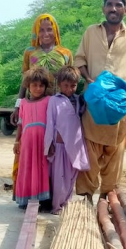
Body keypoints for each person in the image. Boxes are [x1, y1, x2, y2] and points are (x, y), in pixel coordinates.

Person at [74, 0, 126, 202]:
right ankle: (85, 196)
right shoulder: (90, 32)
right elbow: (80, 60)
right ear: (103, 8)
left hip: (121, 106)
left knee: (116, 150)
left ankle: (107, 197)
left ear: (125, 10)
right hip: (94, 103)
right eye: (109, 4)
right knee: (89, 148)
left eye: (118, 5)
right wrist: (89, 80)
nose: (113, 9)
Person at [10, 13, 73, 126]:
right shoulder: (30, 52)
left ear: (56, 31)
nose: (46, 34)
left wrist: (72, 106)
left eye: (49, 29)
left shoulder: (65, 53)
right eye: (41, 30)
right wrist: (17, 106)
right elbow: (24, 82)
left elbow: (70, 81)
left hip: (58, 107)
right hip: (34, 106)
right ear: (36, 33)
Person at [44, 66, 90, 214]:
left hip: (75, 146)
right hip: (59, 146)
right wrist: (49, 143)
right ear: (59, 84)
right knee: (59, 178)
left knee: (71, 177)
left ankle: (66, 204)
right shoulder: (54, 100)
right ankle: (56, 206)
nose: (70, 89)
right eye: (66, 85)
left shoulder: (78, 100)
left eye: (73, 86)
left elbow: (81, 116)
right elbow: (50, 122)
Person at [13, 67, 51, 209]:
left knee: (42, 169)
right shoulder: (23, 103)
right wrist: (17, 141)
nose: (38, 88)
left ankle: (43, 199)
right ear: (28, 86)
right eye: (34, 85)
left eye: (41, 85)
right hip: (27, 143)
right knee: (27, 168)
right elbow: (20, 124)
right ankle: (26, 199)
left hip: (43, 143)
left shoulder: (49, 101)